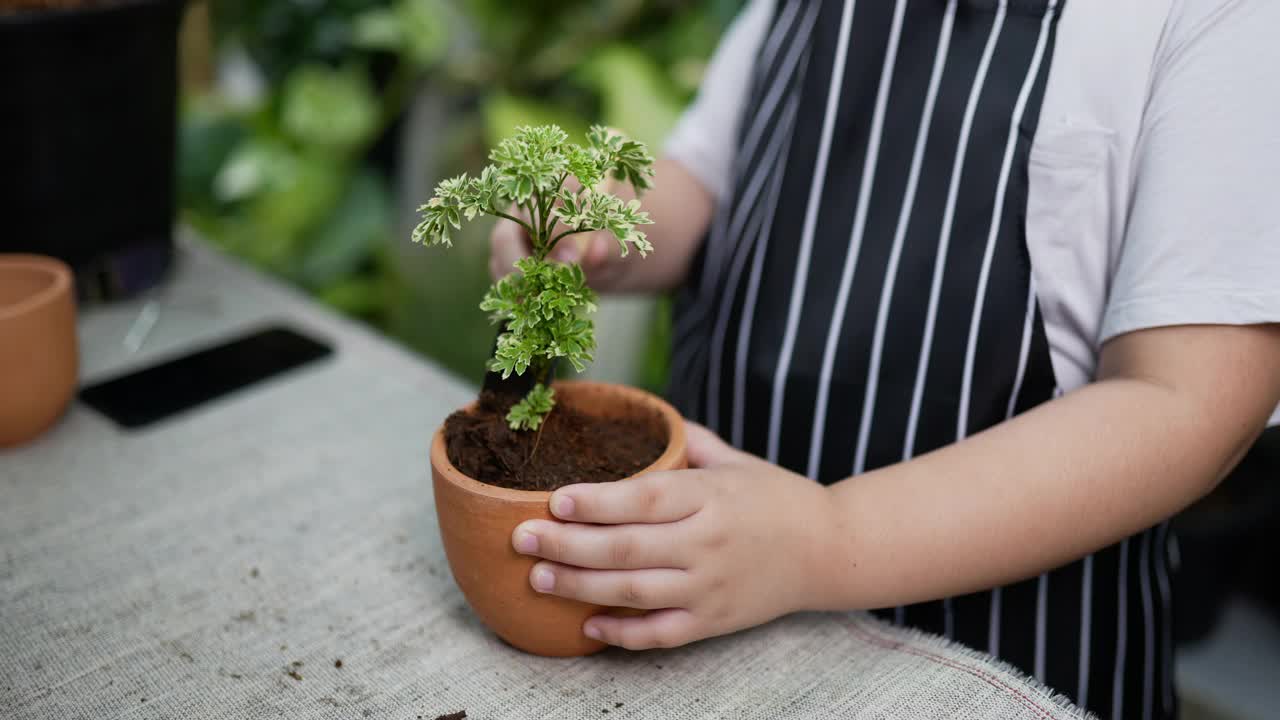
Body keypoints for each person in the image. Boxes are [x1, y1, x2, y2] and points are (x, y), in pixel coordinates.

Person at [489, 1, 1280, 717]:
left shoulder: (1219, 21)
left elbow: (1186, 402)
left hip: (1006, 662)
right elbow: (703, 183)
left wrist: (824, 539)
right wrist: (603, 226)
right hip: (703, 623)